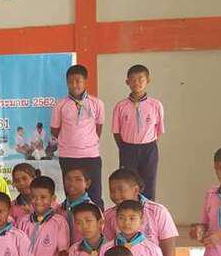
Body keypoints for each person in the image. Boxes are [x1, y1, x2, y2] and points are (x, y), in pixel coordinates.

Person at [50, 64, 105, 207]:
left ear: (85, 81)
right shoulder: (60, 105)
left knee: (94, 195)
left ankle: (98, 221)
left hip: (91, 155)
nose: (74, 85)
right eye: (70, 81)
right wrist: (70, 140)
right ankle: (72, 220)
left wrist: (86, 142)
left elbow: (98, 128)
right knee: (72, 194)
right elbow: (54, 130)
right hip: (68, 156)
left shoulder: (97, 103)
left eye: (78, 81)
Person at [112, 65, 164, 200]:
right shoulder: (120, 106)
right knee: (127, 183)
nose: (137, 83)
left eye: (141, 79)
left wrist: (147, 145)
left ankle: (148, 210)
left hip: (149, 149)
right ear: (127, 82)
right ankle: (127, 209)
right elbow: (116, 132)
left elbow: (158, 130)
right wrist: (125, 148)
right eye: (133, 79)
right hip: (128, 149)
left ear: (148, 80)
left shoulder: (156, 105)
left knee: (149, 183)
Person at [57, 167, 97, 244]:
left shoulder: (93, 209)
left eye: (78, 179)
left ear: (87, 183)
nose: (72, 183)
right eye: (68, 179)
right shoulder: (59, 209)